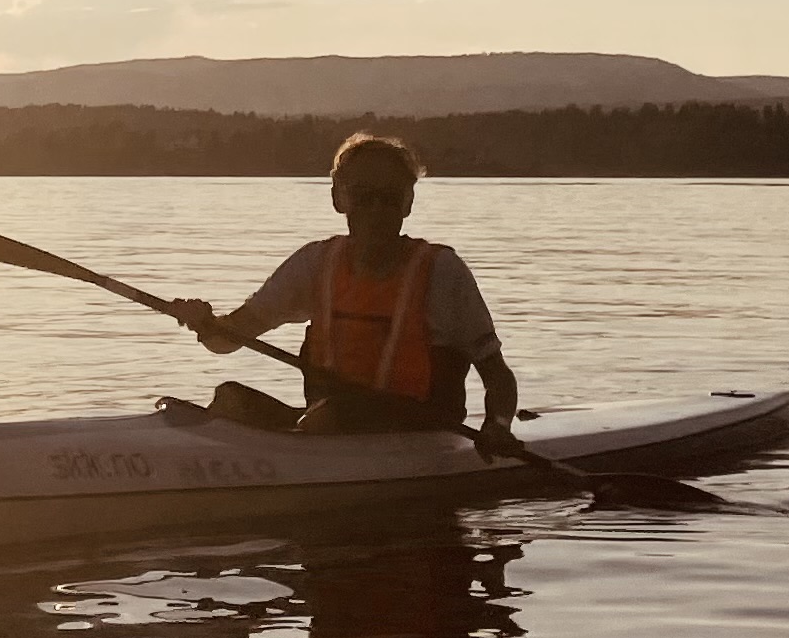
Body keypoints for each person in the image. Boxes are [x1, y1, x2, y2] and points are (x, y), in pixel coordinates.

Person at [172, 132, 526, 455]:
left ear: (407, 204)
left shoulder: (442, 272)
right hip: (327, 425)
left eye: (389, 199)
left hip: (419, 430)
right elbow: (225, 340)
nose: (376, 211)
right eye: (363, 197)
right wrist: (205, 322)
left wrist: (498, 426)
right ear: (338, 199)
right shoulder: (314, 264)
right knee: (229, 399)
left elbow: (496, 374)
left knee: (327, 418)